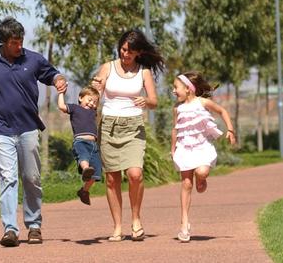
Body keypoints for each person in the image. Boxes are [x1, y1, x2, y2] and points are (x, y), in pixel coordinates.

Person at [0, 17, 67, 247]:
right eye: (14, 42)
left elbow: (51, 74)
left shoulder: (32, 59)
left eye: (21, 41)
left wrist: (59, 79)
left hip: (28, 129)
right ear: (3, 42)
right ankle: (10, 229)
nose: (19, 46)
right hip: (2, 130)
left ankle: (34, 226)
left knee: (31, 178)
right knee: (8, 178)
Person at [91, 29, 164, 242]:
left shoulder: (144, 72)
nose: (125, 54)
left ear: (138, 53)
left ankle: (136, 219)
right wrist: (96, 86)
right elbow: (96, 91)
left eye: (130, 52)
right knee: (112, 179)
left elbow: (154, 101)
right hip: (109, 126)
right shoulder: (108, 67)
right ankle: (117, 227)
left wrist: (145, 101)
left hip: (133, 127)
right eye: (123, 49)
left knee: (135, 174)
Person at [170, 71, 236, 242]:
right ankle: (184, 223)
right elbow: (175, 130)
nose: (173, 91)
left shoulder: (203, 102)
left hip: (202, 147)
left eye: (176, 87)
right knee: (186, 183)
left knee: (202, 172)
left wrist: (230, 130)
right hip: (184, 148)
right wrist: (173, 149)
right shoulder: (177, 109)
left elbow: (222, 111)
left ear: (188, 89)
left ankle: (201, 179)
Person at [56, 85, 102, 205]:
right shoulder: (75, 108)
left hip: (94, 145)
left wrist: (99, 88)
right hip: (80, 141)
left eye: (95, 102)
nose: (92, 103)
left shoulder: (93, 112)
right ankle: (86, 169)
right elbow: (61, 106)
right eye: (89, 99)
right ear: (80, 98)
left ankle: (84, 191)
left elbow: (99, 93)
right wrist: (61, 93)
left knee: (96, 174)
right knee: (83, 157)